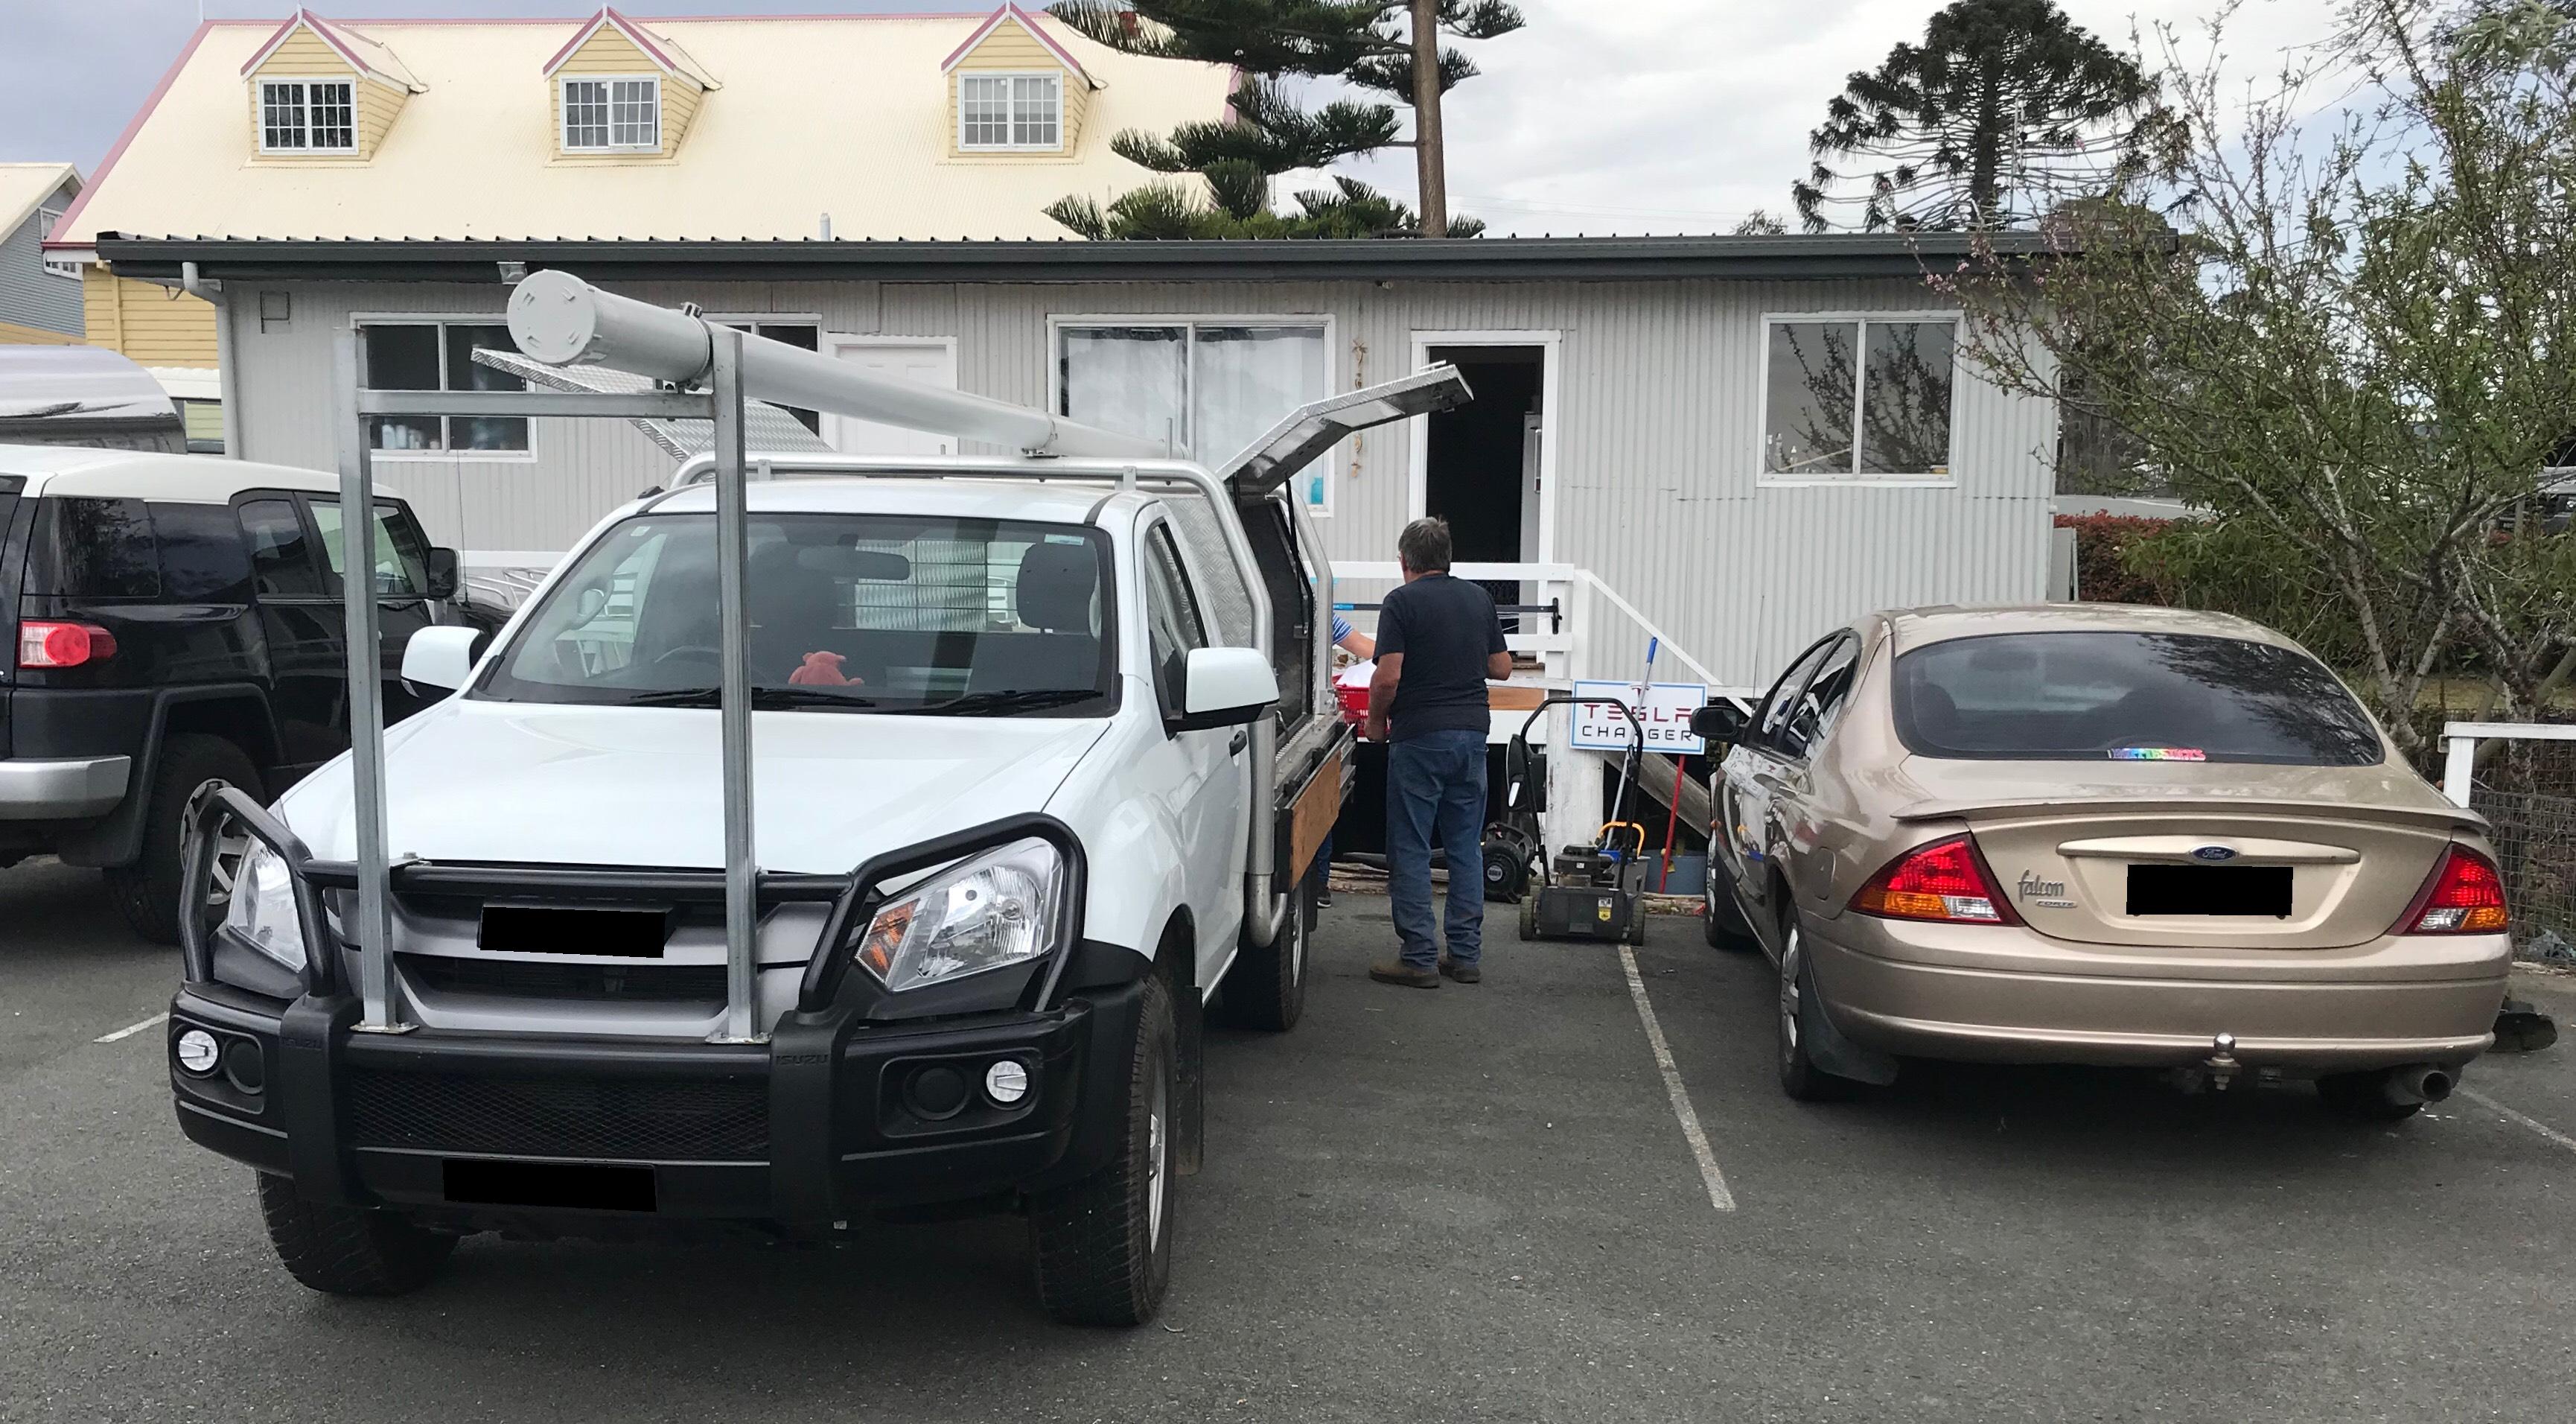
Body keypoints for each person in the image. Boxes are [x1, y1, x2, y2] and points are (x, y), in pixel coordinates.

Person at [1363, 518, 1510, 988]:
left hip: (1420, 736)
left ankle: (1420, 958)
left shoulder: (1400, 603)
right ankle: (1465, 956)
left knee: (1410, 846)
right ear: (1448, 559)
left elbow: (1387, 677)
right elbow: (1501, 668)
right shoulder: (1478, 599)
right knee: (1466, 846)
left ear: (1404, 560)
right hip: (1471, 735)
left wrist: (1375, 721)